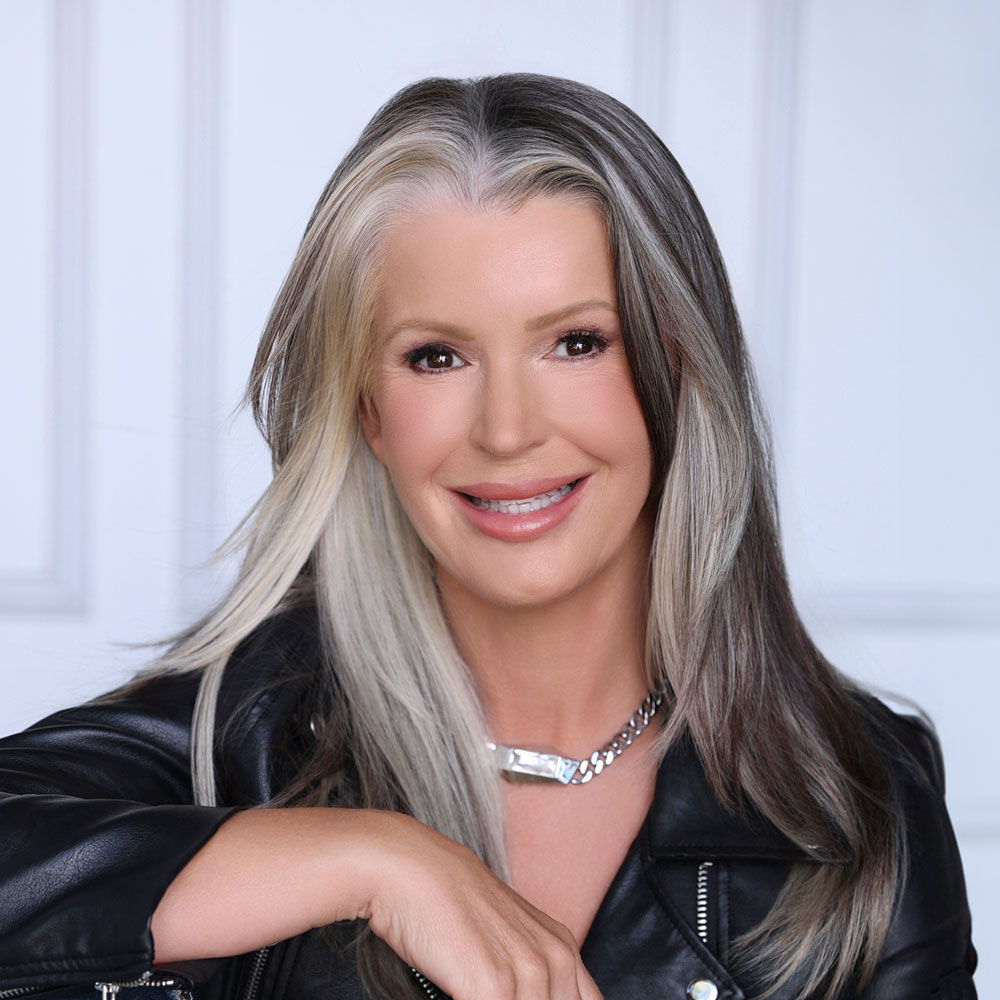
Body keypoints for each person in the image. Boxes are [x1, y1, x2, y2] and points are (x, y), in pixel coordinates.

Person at [0, 74, 977, 1000]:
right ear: (368, 410)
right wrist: (374, 862)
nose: (507, 430)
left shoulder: (857, 796)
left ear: (676, 371)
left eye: (576, 342)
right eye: (436, 356)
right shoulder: (245, 737)